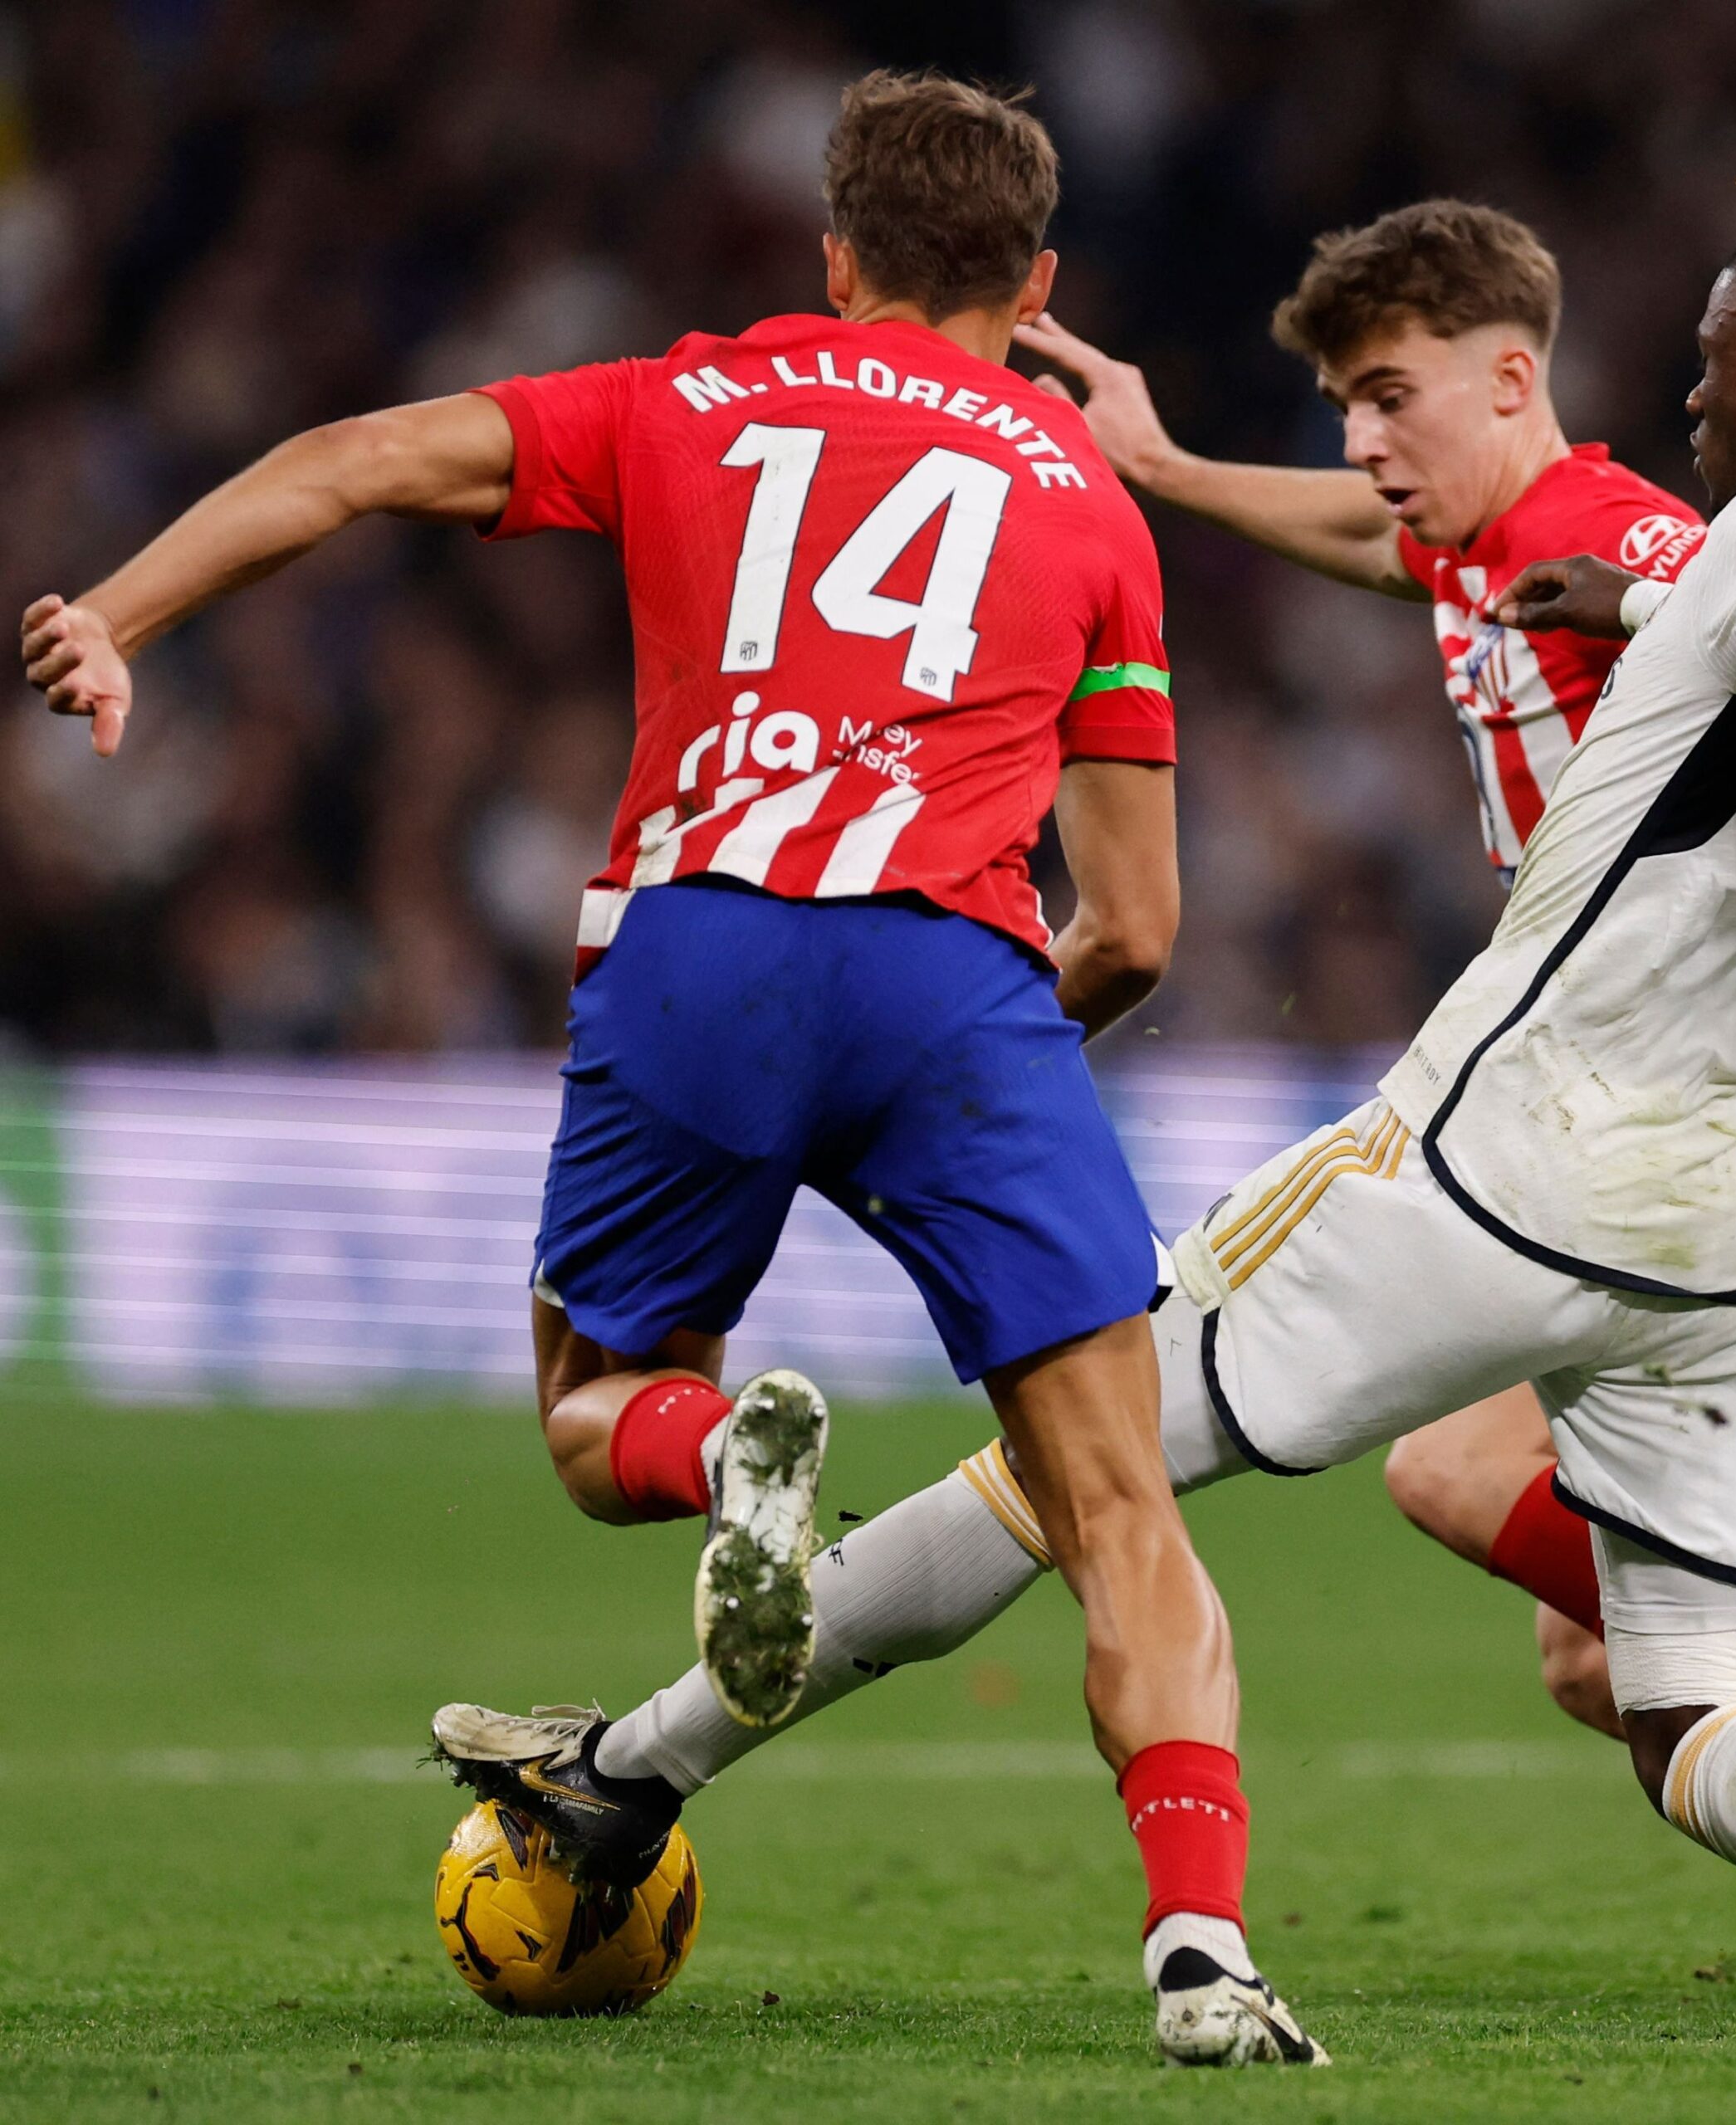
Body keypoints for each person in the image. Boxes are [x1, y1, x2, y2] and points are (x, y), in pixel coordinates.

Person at [418, 48, 1736, 2044]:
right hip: (1730, 1200)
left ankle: (636, 1767)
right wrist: (1177, 468)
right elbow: (1560, 566)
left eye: (1726, 368)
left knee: (1077, 1461)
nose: (1694, 401)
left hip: (1533, 1144)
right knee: (1655, 1675)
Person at [17, 71, 1323, 2070]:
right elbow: (1135, 927)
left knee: (590, 1403)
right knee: (1116, 1501)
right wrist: (970, 1061)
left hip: (700, 941)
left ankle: (722, 1459)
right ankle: (1200, 1959)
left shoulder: (688, 396)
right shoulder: (1087, 503)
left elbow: (360, 458)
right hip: (959, 979)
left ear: (831, 256)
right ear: (1037, 277)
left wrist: (115, 618)